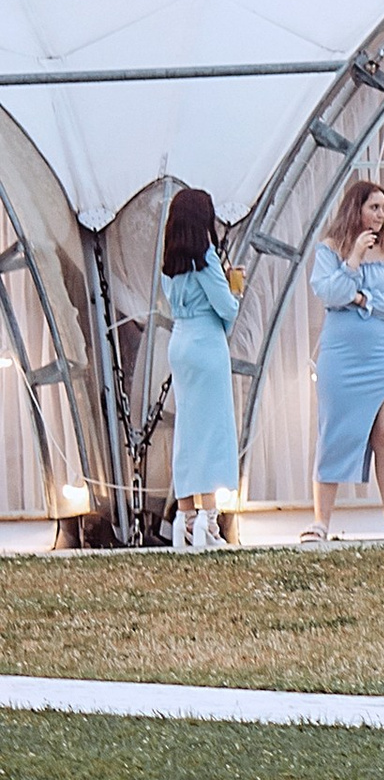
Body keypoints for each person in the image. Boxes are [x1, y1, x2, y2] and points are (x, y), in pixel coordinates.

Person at [306, 177, 384, 545]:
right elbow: (329, 292)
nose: (380, 215)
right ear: (357, 209)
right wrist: (352, 260)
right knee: (334, 430)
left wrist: (362, 298)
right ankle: (321, 521)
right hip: (341, 351)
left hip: (380, 352)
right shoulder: (330, 251)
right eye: (374, 207)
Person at [158, 184, 240, 552]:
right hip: (207, 344)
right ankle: (209, 519)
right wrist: (234, 287)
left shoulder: (169, 262)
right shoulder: (205, 258)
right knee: (212, 431)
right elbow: (227, 308)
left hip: (180, 341)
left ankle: (185, 518)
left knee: (188, 432)